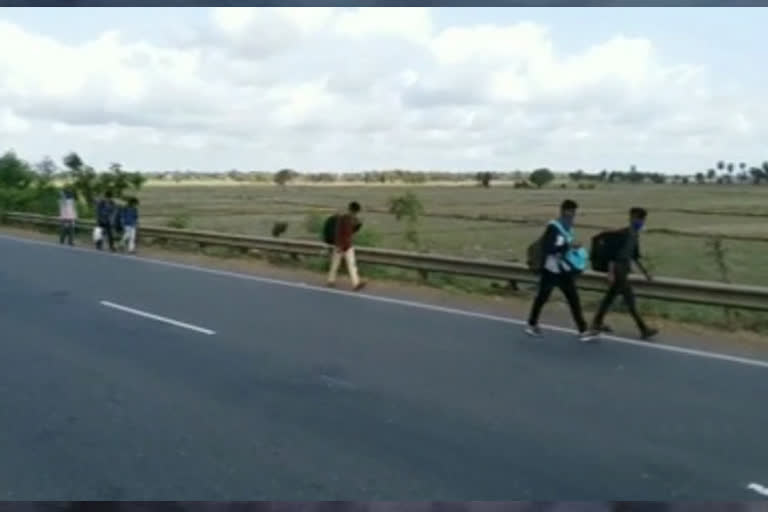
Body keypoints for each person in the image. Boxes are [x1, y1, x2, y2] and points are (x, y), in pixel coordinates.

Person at [526, 199, 595, 342]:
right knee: (542, 298)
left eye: (575, 212)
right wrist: (569, 246)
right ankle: (532, 324)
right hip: (551, 271)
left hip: (563, 270)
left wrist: (571, 246)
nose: (573, 215)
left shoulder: (567, 227)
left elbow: (562, 246)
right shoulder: (554, 227)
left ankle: (583, 330)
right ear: (565, 211)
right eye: (572, 212)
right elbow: (549, 248)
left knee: (573, 299)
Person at [589, 207, 658, 341]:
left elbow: (635, 257)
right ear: (632, 218)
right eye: (638, 218)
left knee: (610, 297)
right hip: (618, 269)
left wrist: (646, 273)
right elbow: (611, 255)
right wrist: (610, 273)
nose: (640, 222)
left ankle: (597, 322)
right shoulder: (622, 234)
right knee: (629, 298)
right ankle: (643, 329)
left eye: (642, 219)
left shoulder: (634, 235)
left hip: (624, 269)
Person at [327, 201, 366, 291]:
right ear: (352, 210)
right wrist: (340, 246)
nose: (355, 214)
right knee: (337, 264)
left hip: (346, 245)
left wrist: (358, 225)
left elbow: (352, 231)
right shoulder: (343, 218)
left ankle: (355, 283)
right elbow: (339, 233)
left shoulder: (351, 219)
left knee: (350, 264)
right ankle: (331, 280)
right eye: (355, 212)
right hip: (342, 245)